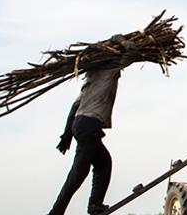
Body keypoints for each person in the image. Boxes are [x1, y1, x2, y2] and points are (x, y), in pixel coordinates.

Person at [48, 39, 139, 215]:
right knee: (78, 173)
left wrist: (66, 135)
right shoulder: (108, 68)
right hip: (89, 125)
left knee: (103, 164)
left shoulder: (90, 77)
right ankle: (56, 212)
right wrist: (121, 41)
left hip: (81, 125)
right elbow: (133, 53)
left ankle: (94, 205)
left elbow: (75, 107)